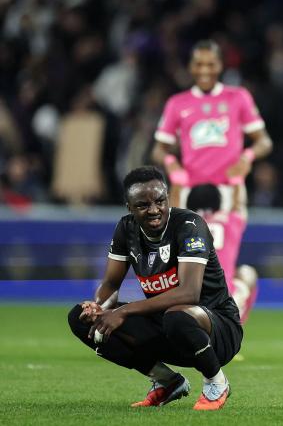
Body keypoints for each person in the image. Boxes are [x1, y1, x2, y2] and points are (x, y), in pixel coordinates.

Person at [67, 166, 242, 410]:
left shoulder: (190, 225)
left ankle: (216, 382)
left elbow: (189, 293)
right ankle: (167, 381)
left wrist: (124, 311)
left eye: (160, 201)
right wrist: (100, 306)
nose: (154, 210)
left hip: (218, 330)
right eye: (142, 205)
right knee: (81, 318)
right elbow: (110, 284)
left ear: (168, 198)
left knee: (178, 315)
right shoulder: (126, 229)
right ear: (129, 207)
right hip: (168, 326)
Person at [151, 38, 272, 210]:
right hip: (189, 192)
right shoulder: (177, 103)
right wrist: (171, 162)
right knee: (189, 237)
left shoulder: (238, 97)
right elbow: (158, 150)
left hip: (230, 191)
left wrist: (247, 158)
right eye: (199, 64)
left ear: (220, 65)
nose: (204, 70)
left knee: (226, 237)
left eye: (210, 64)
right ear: (190, 66)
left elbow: (264, 142)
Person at [186, 183, 258, 324]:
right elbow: (238, 205)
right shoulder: (230, 220)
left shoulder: (182, 223)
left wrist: (176, 180)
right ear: (219, 202)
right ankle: (236, 324)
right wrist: (237, 179)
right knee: (247, 273)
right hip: (224, 300)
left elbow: (173, 205)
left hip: (188, 301)